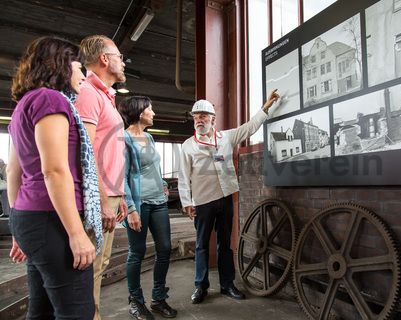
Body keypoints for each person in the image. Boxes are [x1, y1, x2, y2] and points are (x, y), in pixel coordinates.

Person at [7, 36, 99, 319]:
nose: (83, 75)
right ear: (60, 64)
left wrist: (17, 228)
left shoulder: (24, 104)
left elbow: (14, 171)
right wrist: (76, 233)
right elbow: (54, 169)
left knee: (42, 309)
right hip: (53, 220)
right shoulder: (50, 99)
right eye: (78, 66)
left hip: (31, 218)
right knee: (77, 311)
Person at [178, 89, 280, 304]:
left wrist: (265, 108)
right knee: (201, 245)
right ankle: (200, 287)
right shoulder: (188, 146)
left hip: (225, 199)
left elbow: (249, 128)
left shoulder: (225, 137)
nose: (199, 120)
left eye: (203, 116)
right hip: (202, 202)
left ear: (213, 119)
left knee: (225, 244)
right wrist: (187, 203)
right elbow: (183, 177)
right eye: (196, 117)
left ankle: (227, 285)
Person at [75, 34, 128, 319]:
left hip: (110, 193)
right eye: (119, 57)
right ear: (105, 59)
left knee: (101, 263)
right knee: (92, 266)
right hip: (99, 195)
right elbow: (87, 152)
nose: (123, 63)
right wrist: (103, 201)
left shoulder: (106, 96)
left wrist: (119, 196)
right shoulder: (88, 93)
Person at [118, 96, 178, 319]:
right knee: (137, 252)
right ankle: (136, 301)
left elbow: (153, 167)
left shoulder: (150, 137)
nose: (153, 113)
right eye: (150, 109)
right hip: (139, 204)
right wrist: (131, 209)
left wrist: (162, 184)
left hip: (159, 202)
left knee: (164, 248)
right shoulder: (123, 139)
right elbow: (121, 177)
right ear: (140, 112)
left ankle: (158, 298)